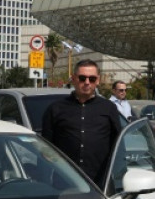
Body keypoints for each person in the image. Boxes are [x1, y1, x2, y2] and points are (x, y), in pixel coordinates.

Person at [44, 59, 122, 187]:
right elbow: (46, 149)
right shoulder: (55, 109)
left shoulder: (109, 108)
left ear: (97, 80)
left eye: (92, 79)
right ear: (74, 79)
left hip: (100, 183)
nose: (87, 82)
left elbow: (118, 144)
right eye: (82, 78)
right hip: (64, 182)